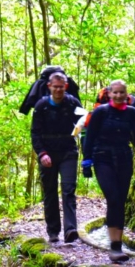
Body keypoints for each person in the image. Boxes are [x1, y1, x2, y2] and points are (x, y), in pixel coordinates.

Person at [81, 80, 135, 262]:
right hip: (102, 158)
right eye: (115, 93)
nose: (119, 96)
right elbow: (89, 137)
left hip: (124, 158)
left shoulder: (132, 114)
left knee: (121, 200)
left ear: (127, 95)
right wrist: (86, 162)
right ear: (109, 94)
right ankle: (114, 247)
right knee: (113, 198)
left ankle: (117, 245)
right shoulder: (100, 113)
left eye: (122, 93)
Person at [31, 72, 83, 244]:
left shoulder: (73, 103)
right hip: (48, 153)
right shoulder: (41, 106)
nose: (58, 90)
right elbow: (35, 133)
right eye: (55, 87)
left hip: (68, 151)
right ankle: (53, 231)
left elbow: (83, 121)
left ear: (66, 86)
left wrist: (76, 134)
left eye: (61, 86)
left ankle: (70, 230)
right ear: (49, 87)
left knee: (68, 190)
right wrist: (42, 153)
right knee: (50, 191)